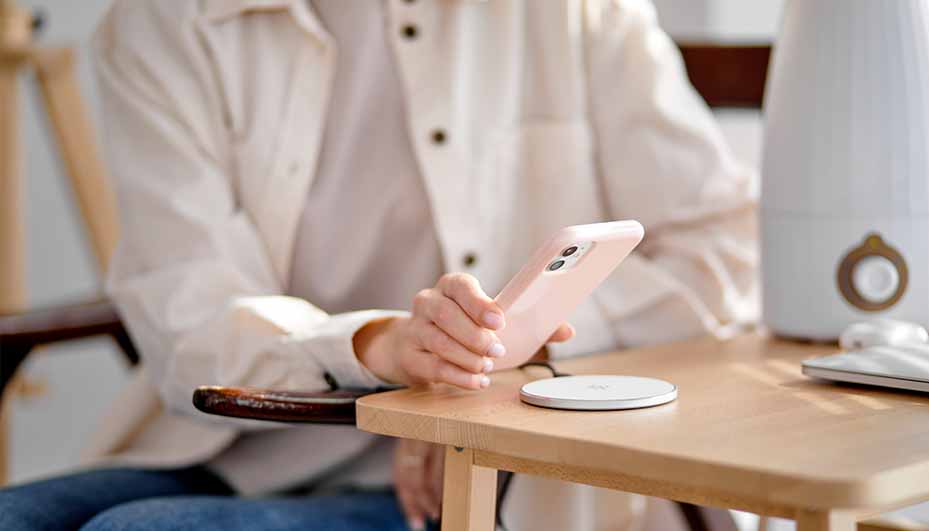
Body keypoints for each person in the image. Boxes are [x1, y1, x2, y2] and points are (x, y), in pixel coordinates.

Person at [0, 0, 757, 530]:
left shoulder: (574, 12)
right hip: (239, 444)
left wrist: (492, 367)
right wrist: (380, 345)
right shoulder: (161, 23)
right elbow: (188, 312)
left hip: (485, 480)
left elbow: (724, 249)